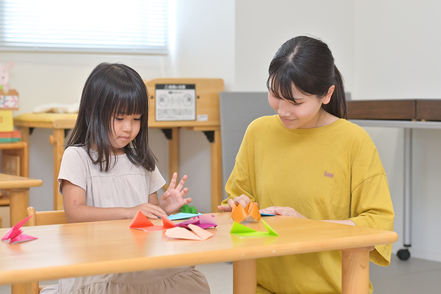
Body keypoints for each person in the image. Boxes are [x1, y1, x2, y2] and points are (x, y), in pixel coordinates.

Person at [218, 36, 395, 294]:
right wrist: (238, 206)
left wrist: (309, 227)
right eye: (275, 96)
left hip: (333, 288)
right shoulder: (258, 132)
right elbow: (237, 199)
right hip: (260, 285)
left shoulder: (354, 142)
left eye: (296, 102)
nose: (282, 110)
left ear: (327, 95)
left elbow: (377, 224)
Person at [41, 63, 210, 294]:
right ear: (92, 111)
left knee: (189, 280)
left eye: (136, 119)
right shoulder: (77, 156)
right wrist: (128, 211)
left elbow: (147, 215)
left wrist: (163, 208)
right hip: (96, 266)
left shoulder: (141, 159)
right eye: (119, 118)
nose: (128, 128)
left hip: (138, 262)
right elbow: (75, 212)